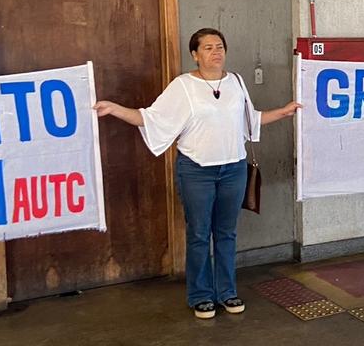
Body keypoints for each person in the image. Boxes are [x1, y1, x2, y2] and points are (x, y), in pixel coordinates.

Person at [93, 28, 301, 318]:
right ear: (195, 54)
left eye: (219, 47)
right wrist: (115, 109)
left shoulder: (237, 82)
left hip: (234, 168)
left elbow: (250, 121)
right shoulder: (183, 86)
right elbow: (150, 118)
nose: (216, 52)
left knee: (227, 234)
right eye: (207, 48)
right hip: (196, 171)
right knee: (200, 234)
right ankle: (201, 295)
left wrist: (283, 111)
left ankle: (227, 292)